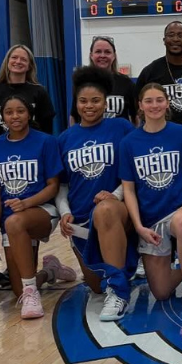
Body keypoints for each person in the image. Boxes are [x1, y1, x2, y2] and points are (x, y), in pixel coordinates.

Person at [56, 67, 137, 322]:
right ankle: (111, 276)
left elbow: (134, 172)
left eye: (95, 101)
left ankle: (120, 292)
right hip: (81, 223)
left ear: (106, 102)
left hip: (114, 213)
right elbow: (61, 187)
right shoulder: (65, 138)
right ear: (76, 103)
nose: (89, 106)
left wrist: (114, 194)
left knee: (104, 210)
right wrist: (65, 213)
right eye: (83, 101)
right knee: (94, 286)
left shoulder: (121, 127)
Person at [118, 83, 182, 316]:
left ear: (167, 103)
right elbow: (128, 189)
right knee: (161, 291)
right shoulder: (129, 143)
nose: (154, 105)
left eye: (159, 100)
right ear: (140, 105)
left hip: (181, 207)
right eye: (149, 101)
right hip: (151, 217)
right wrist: (138, 226)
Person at [0, 91, 64, 319]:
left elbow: (53, 186)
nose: (15, 116)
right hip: (11, 220)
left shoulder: (45, 141)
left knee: (15, 221)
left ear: (29, 113)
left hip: (42, 211)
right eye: (9, 112)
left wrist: (27, 203)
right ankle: (50, 272)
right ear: (3, 117)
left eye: (20, 111)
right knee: (16, 288)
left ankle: (32, 293)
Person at [0, 44, 55, 141]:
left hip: (33, 147)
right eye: (14, 57)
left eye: (23, 59)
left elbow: (47, 127)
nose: (18, 61)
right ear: (7, 62)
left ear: (29, 66)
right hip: (2, 149)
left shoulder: (40, 92)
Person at [84, 35, 137, 122]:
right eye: (98, 51)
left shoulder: (126, 82)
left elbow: (136, 116)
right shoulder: (83, 82)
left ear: (114, 56)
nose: (102, 55)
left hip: (120, 135)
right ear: (91, 55)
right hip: (90, 135)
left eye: (107, 52)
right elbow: (74, 116)